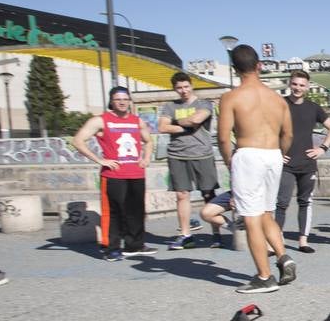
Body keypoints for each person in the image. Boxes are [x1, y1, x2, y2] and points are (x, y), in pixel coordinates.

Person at [217, 44, 296, 294]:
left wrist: (230, 159)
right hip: (273, 154)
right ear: (259, 65)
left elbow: (222, 137)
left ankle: (264, 277)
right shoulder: (277, 99)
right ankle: (283, 257)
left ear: (234, 69)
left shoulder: (232, 97)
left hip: (248, 153)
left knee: (250, 218)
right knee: (266, 214)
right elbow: (288, 133)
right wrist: (281, 153)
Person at [72, 86, 156, 261]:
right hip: (113, 175)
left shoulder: (136, 121)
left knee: (136, 210)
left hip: (136, 173)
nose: (122, 102)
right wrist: (100, 160)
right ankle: (112, 248)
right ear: (111, 101)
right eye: (118, 99)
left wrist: (146, 158)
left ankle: (135, 245)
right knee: (114, 212)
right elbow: (78, 141)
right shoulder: (101, 120)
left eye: (125, 99)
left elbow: (148, 141)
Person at [276, 70, 330, 253]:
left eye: (302, 85)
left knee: (305, 202)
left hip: (307, 163)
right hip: (285, 164)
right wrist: (276, 152)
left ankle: (303, 240)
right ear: (289, 84)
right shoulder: (280, 104)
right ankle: (276, 240)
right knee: (281, 203)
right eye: (295, 84)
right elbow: (268, 128)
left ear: (307, 87)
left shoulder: (313, 107)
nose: (298, 88)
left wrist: (323, 148)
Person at [158, 72, 218, 250]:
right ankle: (185, 235)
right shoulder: (170, 106)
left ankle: (217, 234)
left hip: (202, 154)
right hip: (177, 155)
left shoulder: (204, 103)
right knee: (181, 195)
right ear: (174, 89)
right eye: (179, 88)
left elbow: (197, 119)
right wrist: (186, 123)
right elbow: (162, 127)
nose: (183, 91)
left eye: (186, 87)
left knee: (208, 193)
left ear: (191, 86)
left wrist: (176, 123)